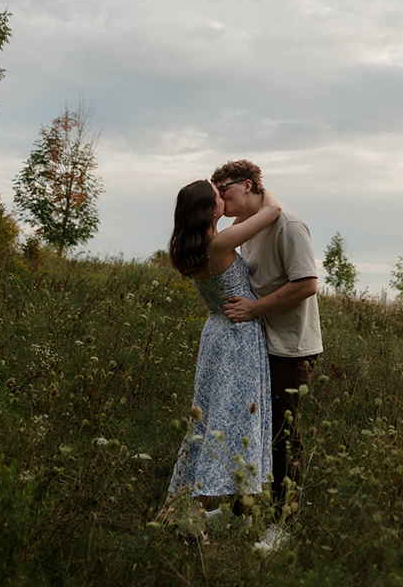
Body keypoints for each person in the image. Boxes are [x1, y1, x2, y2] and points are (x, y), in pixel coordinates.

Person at [158, 178, 283, 537]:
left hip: (215, 332)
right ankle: (194, 515)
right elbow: (272, 210)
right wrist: (259, 188)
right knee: (228, 422)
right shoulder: (223, 241)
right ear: (210, 209)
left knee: (208, 418)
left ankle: (180, 508)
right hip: (237, 337)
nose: (223, 197)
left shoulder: (193, 246)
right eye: (217, 196)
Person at [212, 160, 321, 532]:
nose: (220, 197)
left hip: (290, 348)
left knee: (283, 439)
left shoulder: (287, 225)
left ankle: (283, 526)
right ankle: (241, 513)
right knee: (252, 432)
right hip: (259, 345)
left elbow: (307, 284)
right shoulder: (246, 227)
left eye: (223, 188)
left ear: (246, 185)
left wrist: (254, 309)